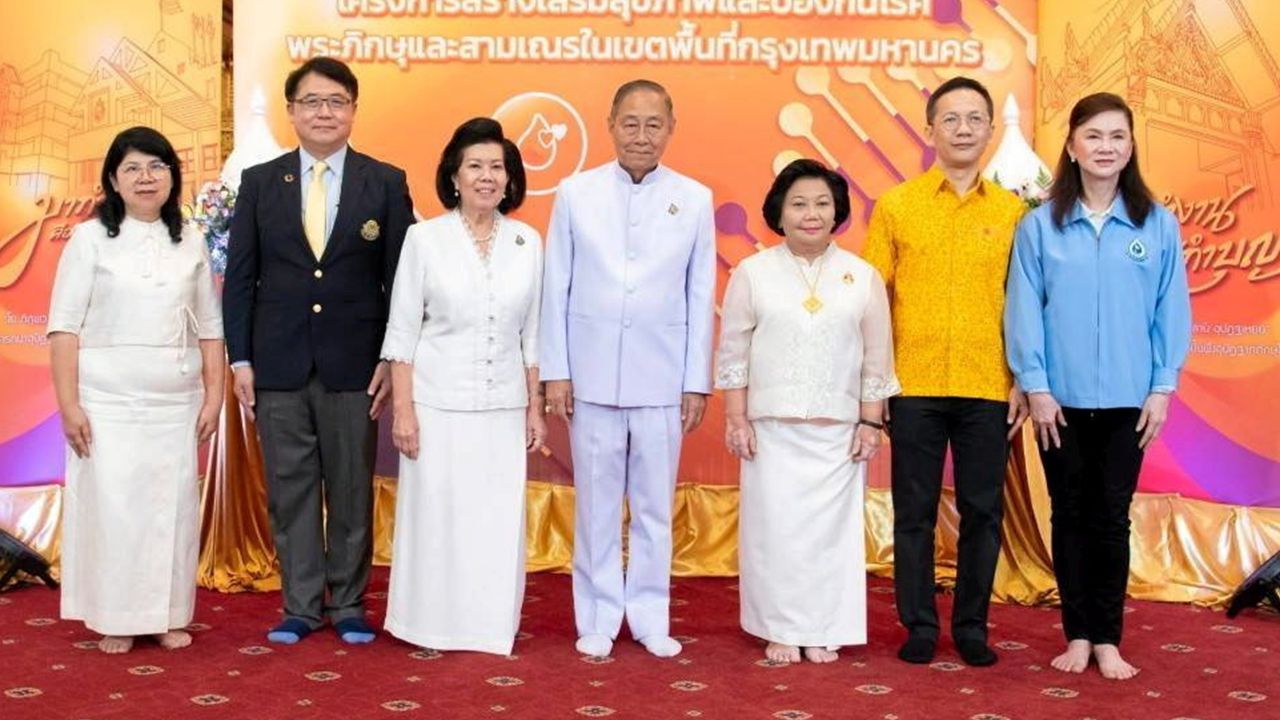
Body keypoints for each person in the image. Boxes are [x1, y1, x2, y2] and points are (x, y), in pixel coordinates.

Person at [223, 57, 414, 645]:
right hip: (277, 362)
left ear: (353, 110)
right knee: (290, 487)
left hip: (355, 365)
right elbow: (241, 278)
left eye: (336, 101)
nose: (324, 111)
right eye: (311, 101)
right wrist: (241, 360)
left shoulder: (384, 181)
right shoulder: (261, 181)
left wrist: (390, 358)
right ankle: (302, 606)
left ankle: (350, 603)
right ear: (292, 112)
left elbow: (401, 281)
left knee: (353, 487)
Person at [1004, 92, 1191, 681]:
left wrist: (1162, 387)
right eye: (1093, 136)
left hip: (1129, 403)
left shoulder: (1157, 223)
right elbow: (1023, 308)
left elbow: (1171, 310)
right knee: (1068, 514)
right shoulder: (1040, 225)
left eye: (1117, 136)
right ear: (1071, 146)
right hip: (1057, 400)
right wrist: (1034, 384)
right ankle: (1077, 634)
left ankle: (1108, 637)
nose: (1105, 147)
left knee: (1111, 516)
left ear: (1130, 146)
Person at [540, 79, 716, 659]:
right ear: (611, 124)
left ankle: (648, 614)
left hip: (663, 379)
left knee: (652, 507)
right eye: (631, 123)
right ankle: (595, 615)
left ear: (672, 127)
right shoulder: (574, 192)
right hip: (588, 378)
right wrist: (557, 372)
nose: (642, 136)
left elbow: (699, 292)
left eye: (654, 124)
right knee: (594, 504)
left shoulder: (693, 198)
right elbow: (556, 286)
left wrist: (696, 380)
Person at [862, 76, 1029, 667]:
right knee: (914, 511)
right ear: (930, 130)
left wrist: (1025, 383)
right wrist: (874, 386)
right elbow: (871, 299)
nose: (963, 128)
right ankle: (919, 624)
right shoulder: (898, 206)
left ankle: (974, 625)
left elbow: (1028, 302)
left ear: (990, 130)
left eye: (974, 118)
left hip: (989, 384)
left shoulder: (1015, 213)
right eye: (950, 118)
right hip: (914, 385)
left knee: (984, 511)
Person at [48, 126, 225, 654]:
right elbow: (64, 327)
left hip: (176, 401)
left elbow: (210, 327)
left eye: (157, 166)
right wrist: (69, 404)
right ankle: (116, 616)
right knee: (116, 507)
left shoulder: (191, 239)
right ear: (112, 180)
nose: (146, 178)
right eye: (133, 168)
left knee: (170, 510)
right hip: (107, 402)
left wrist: (213, 397)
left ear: (173, 175)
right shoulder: (88, 239)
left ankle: (168, 614)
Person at [715, 159, 899, 664]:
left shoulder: (861, 277)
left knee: (828, 537)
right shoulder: (753, 273)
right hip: (770, 429)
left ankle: (822, 628)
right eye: (798, 203)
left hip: (839, 432)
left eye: (822, 203)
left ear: (838, 210)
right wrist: (736, 418)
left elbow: (878, 358)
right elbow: (733, 354)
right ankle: (779, 627)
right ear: (780, 211)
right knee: (775, 532)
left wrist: (870, 420)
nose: (811, 214)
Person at [380, 118, 545, 655]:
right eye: (475, 166)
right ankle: (428, 623)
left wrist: (535, 407)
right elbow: (402, 331)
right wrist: (403, 410)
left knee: (494, 521)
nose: (486, 176)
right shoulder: (423, 238)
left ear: (510, 178)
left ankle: (488, 624)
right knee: (438, 517)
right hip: (436, 403)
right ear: (453, 176)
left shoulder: (528, 241)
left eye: (497, 167)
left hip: (503, 405)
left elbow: (533, 334)